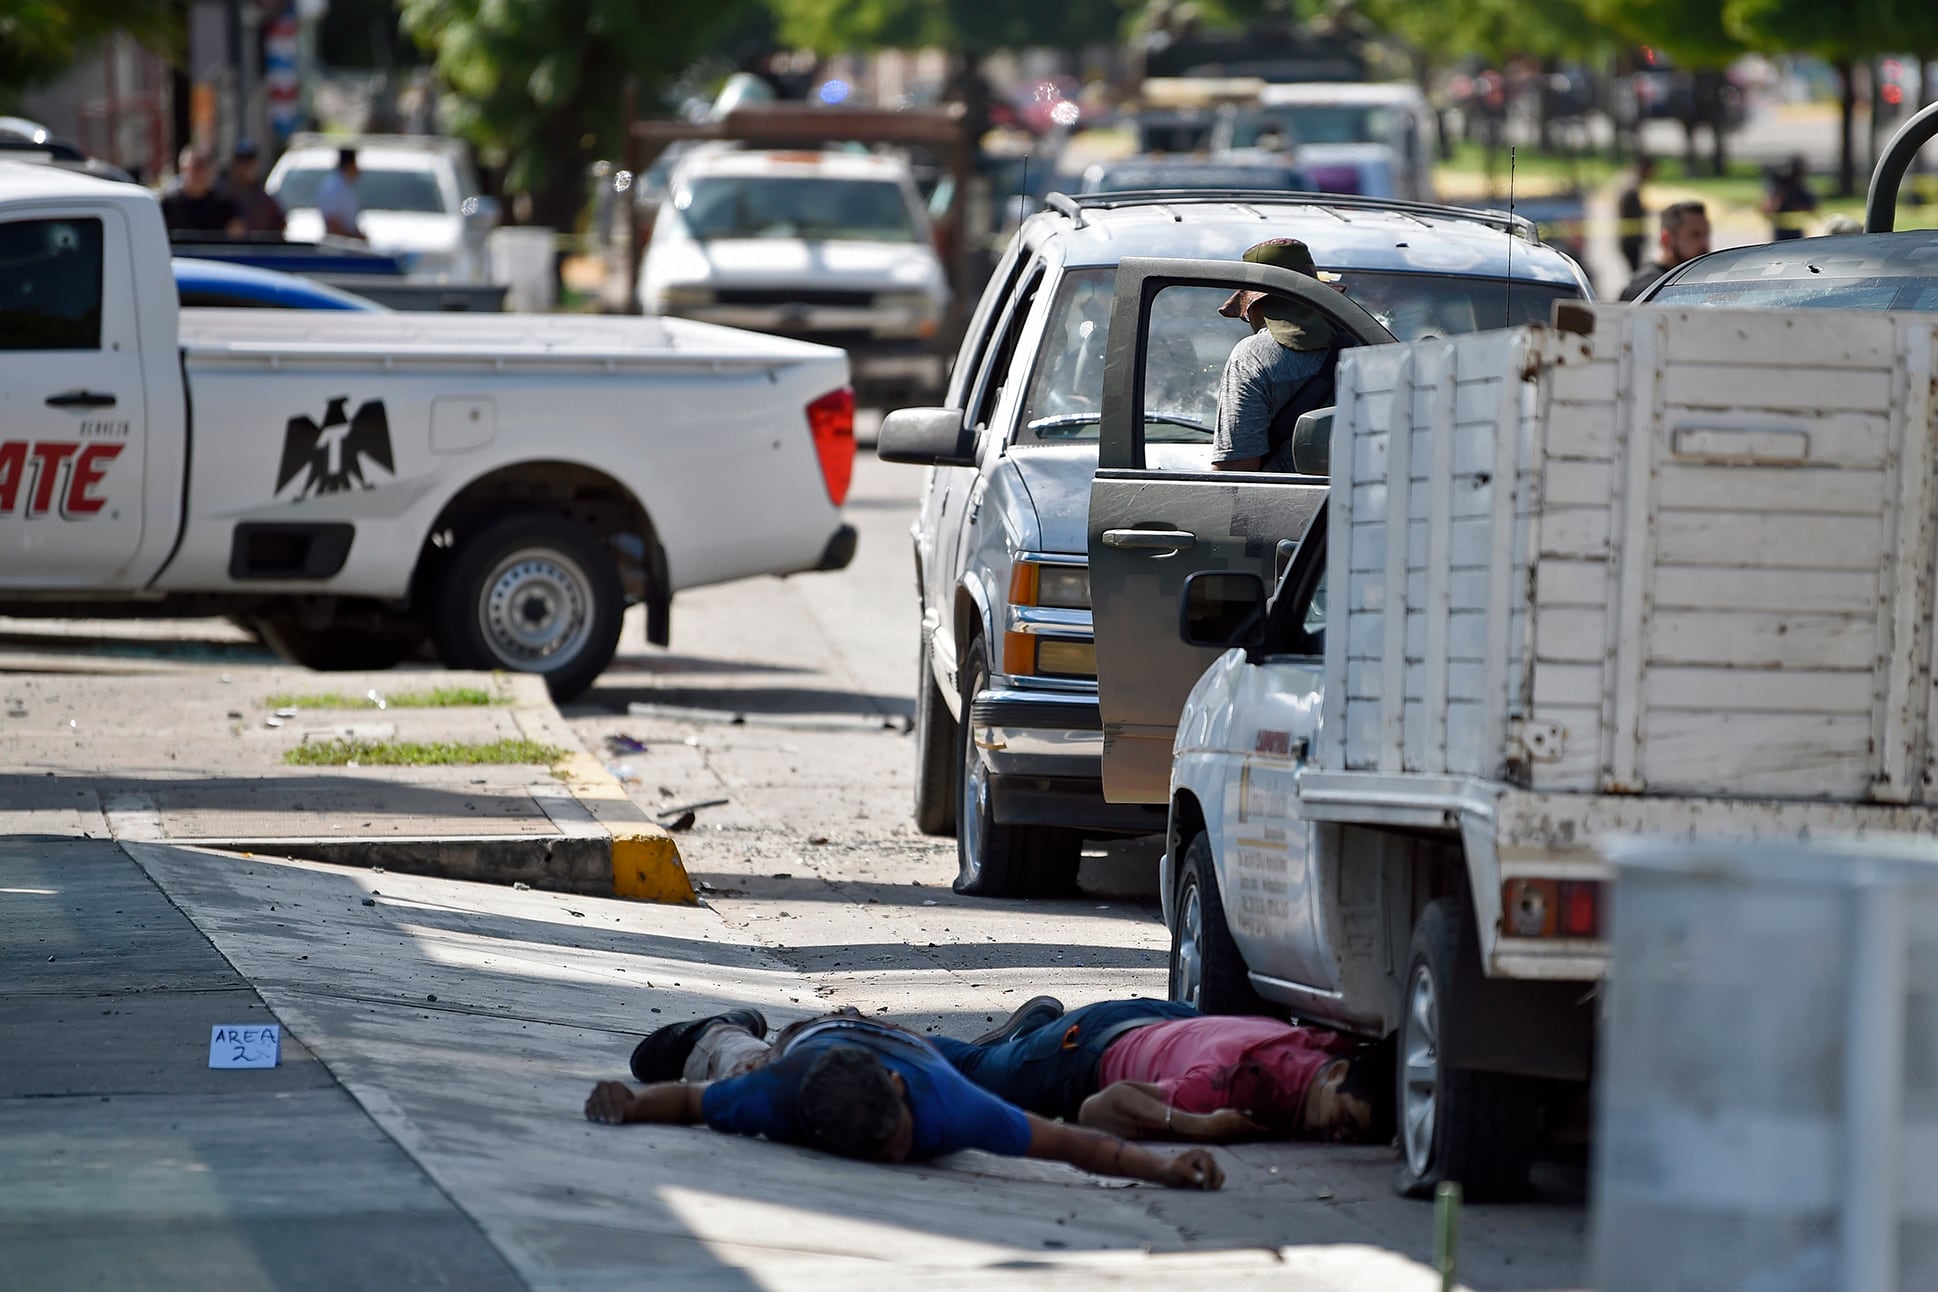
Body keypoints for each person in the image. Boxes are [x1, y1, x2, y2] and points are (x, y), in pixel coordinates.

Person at [585, 1007, 1226, 1190]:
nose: (897, 1158)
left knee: (989, 1074)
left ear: (898, 1096)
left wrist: (1165, 1168)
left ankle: (1003, 1044)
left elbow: (1074, 1144)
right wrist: (631, 1105)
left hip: (909, 1047)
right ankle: (721, 1029)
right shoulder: (780, 1096)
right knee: (740, 1068)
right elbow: (694, 1103)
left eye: (895, 1139)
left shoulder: (953, 1109)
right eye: (877, 1152)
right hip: (807, 1046)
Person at [929, 996, 1394, 1145]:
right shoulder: (1233, 1087)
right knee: (974, 1070)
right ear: (1335, 1078)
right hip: (1084, 1050)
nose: (1342, 1136)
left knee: (1015, 1059)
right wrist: (1198, 1126)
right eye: (1345, 1119)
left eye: (1356, 1134)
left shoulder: (1336, 1049)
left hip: (1170, 1020)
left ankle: (1032, 1035)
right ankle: (867, 1033)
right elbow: (1097, 1111)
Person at [1210, 238, 1348, 472]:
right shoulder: (1360, 344)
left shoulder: (1251, 356)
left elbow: (1237, 466)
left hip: (1281, 504)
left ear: (1256, 304)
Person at [1618, 200, 1711, 301]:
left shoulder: (1697, 278)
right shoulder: (1647, 289)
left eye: (1706, 234)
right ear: (1666, 239)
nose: (1704, 244)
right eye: (1694, 235)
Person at [159, 147, 244, 236]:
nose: (199, 173)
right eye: (195, 167)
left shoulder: (224, 204)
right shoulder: (169, 204)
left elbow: (236, 237)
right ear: (183, 169)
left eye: (203, 167)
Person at [223, 139, 284, 234]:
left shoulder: (264, 199)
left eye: (248, 162)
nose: (244, 168)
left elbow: (280, 226)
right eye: (240, 162)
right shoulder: (223, 195)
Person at [1763, 155, 1817, 242]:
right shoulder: (1781, 188)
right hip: (1781, 230)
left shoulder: (1800, 189)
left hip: (1796, 231)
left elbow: (1812, 209)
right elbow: (1767, 209)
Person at [1616, 155, 1655, 272]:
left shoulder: (1631, 182)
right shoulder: (1632, 186)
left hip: (1630, 235)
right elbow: (1629, 210)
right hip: (1631, 237)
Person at [316, 147, 362, 239]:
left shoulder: (345, 186)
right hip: (338, 245)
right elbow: (332, 221)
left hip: (348, 243)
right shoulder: (333, 188)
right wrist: (352, 238)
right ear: (350, 165)